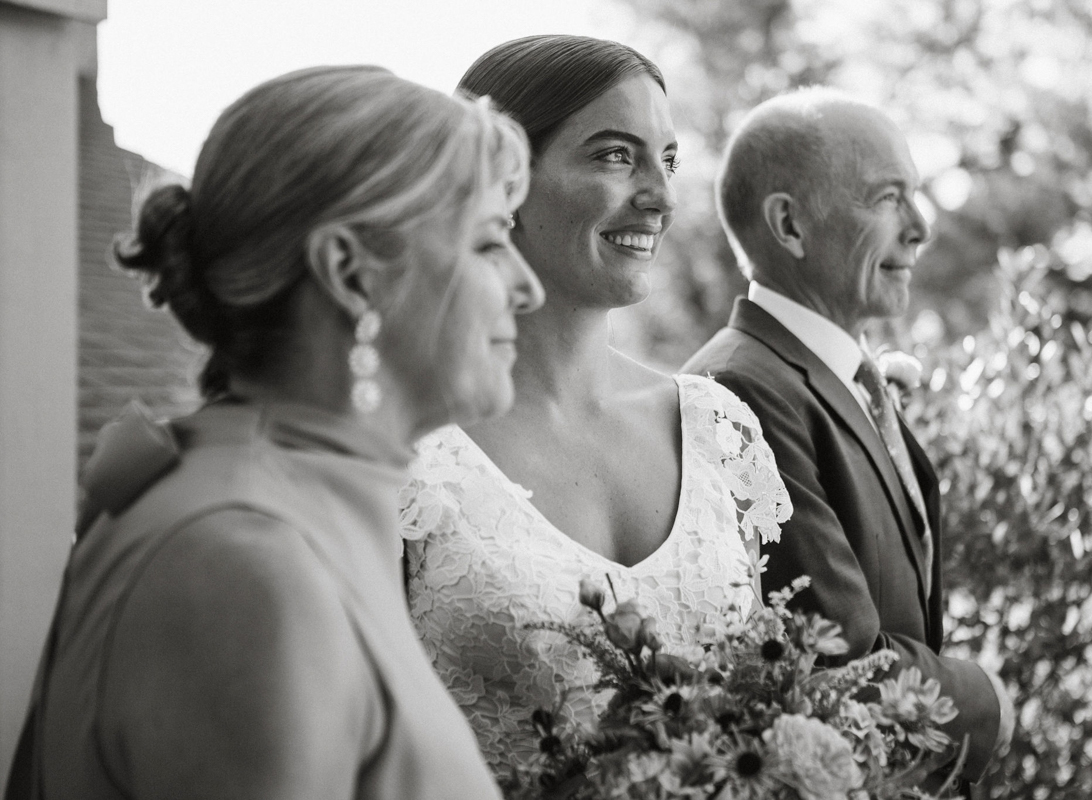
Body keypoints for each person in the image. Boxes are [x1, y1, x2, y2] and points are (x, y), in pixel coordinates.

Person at [5, 65, 543, 800]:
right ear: (352, 276)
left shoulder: (302, 505)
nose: (527, 286)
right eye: (487, 244)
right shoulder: (241, 563)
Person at [399, 35, 792, 770]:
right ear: (502, 179)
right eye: (616, 155)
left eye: (668, 160)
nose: (662, 196)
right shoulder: (406, 446)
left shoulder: (718, 427)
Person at [682, 87, 1014, 785]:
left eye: (916, 195)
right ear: (790, 226)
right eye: (888, 198)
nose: (921, 226)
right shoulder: (738, 390)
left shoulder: (838, 379)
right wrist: (989, 703)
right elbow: (835, 662)